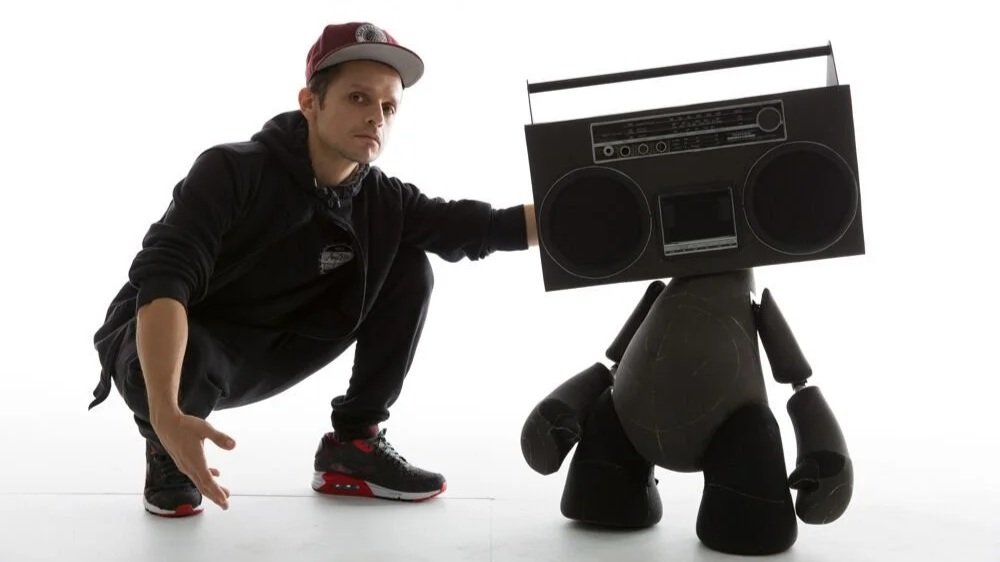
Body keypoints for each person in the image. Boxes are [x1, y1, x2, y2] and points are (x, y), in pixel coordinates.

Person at [88, 21, 538, 518]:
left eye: (388, 107)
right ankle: (167, 444)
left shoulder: (381, 200)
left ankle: (354, 446)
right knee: (173, 353)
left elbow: (481, 227)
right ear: (310, 102)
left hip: (275, 338)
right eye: (358, 98)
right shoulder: (230, 171)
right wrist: (166, 414)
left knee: (407, 264)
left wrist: (581, 212)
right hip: (181, 346)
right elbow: (165, 281)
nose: (376, 117)